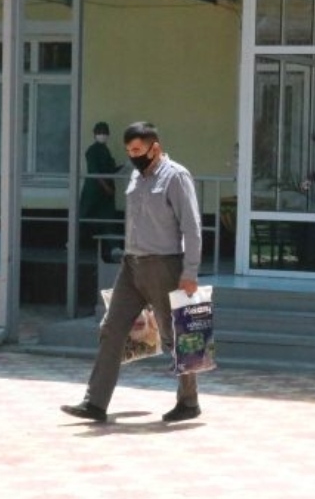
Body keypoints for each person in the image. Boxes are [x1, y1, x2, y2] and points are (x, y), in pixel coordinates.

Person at [61, 121, 204, 423]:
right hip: (131, 265)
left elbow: (192, 228)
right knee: (111, 328)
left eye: (138, 150)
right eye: (129, 151)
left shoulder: (176, 177)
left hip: (164, 265)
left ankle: (189, 401)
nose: (133, 156)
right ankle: (94, 402)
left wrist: (190, 272)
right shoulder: (136, 177)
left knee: (174, 335)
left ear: (155, 147)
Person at [79, 121, 121, 261]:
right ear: (95, 134)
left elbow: (110, 170)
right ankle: (71, 241)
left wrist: (124, 167)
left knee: (109, 218)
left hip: (105, 192)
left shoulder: (105, 150)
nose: (102, 135)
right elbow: (95, 172)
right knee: (83, 215)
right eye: (100, 132)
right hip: (94, 190)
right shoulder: (92, 151)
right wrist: (106, 187)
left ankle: (114, 247)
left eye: (104, 132)